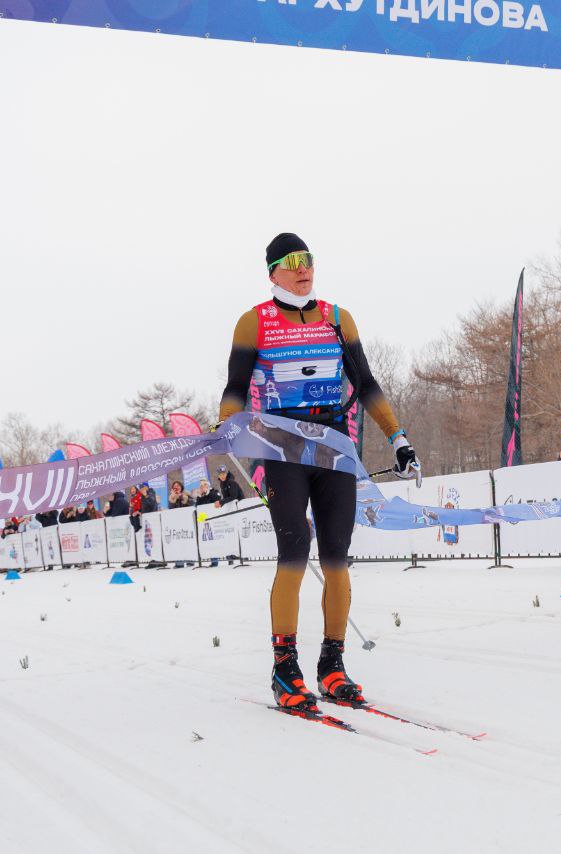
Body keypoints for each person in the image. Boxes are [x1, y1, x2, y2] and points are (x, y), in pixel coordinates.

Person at [218, 232, 418, 710]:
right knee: (294, 550)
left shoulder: (336, 318)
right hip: (282, 451)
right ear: (273, 273)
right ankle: (285, 668)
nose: (303, 268)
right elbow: (235, 388)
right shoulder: (254, 322)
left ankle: (332, 663)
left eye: (308, 260)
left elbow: (367, 384)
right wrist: (226, 427)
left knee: (337, 556)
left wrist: (399, 438)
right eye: (291, 263)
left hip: (334, 450)